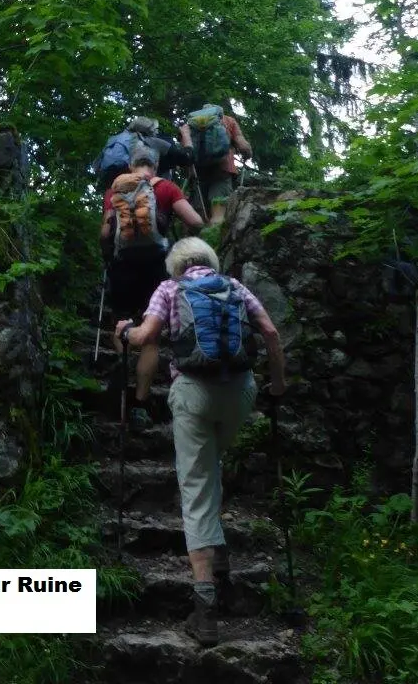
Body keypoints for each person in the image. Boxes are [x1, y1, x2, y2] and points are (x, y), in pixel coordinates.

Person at [113, 237, 285, 645]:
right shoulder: (235, 287)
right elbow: (271, 333)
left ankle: (205, 606)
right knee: (212, 466)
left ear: (175, 265)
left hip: (193, 392)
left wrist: (125, 330)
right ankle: (219, 549)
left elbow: (145, 337)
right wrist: (277, 384)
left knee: (195, 487)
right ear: (210, 261)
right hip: (240, 393)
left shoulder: (170, 288)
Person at [101, 146, 204, 429]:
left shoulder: (116, 189)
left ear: (130, 165)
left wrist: (107, 255)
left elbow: (106, 233)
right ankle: (141, 402)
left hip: (123, 266)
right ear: (155, 166)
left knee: (121, 324)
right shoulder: (166, 187)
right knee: (152, 338)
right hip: (157, 267)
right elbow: (195, 221)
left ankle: (122, 365)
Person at [184, 109, 252, 225]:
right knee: (218, 212)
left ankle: (199, 239)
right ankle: (215, 238)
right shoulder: (228, 120)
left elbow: (186, 149)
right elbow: (243, 146)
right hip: (222, 172)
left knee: (199, 214)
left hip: (198, 174)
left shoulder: (193, 122)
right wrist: (248, 153)